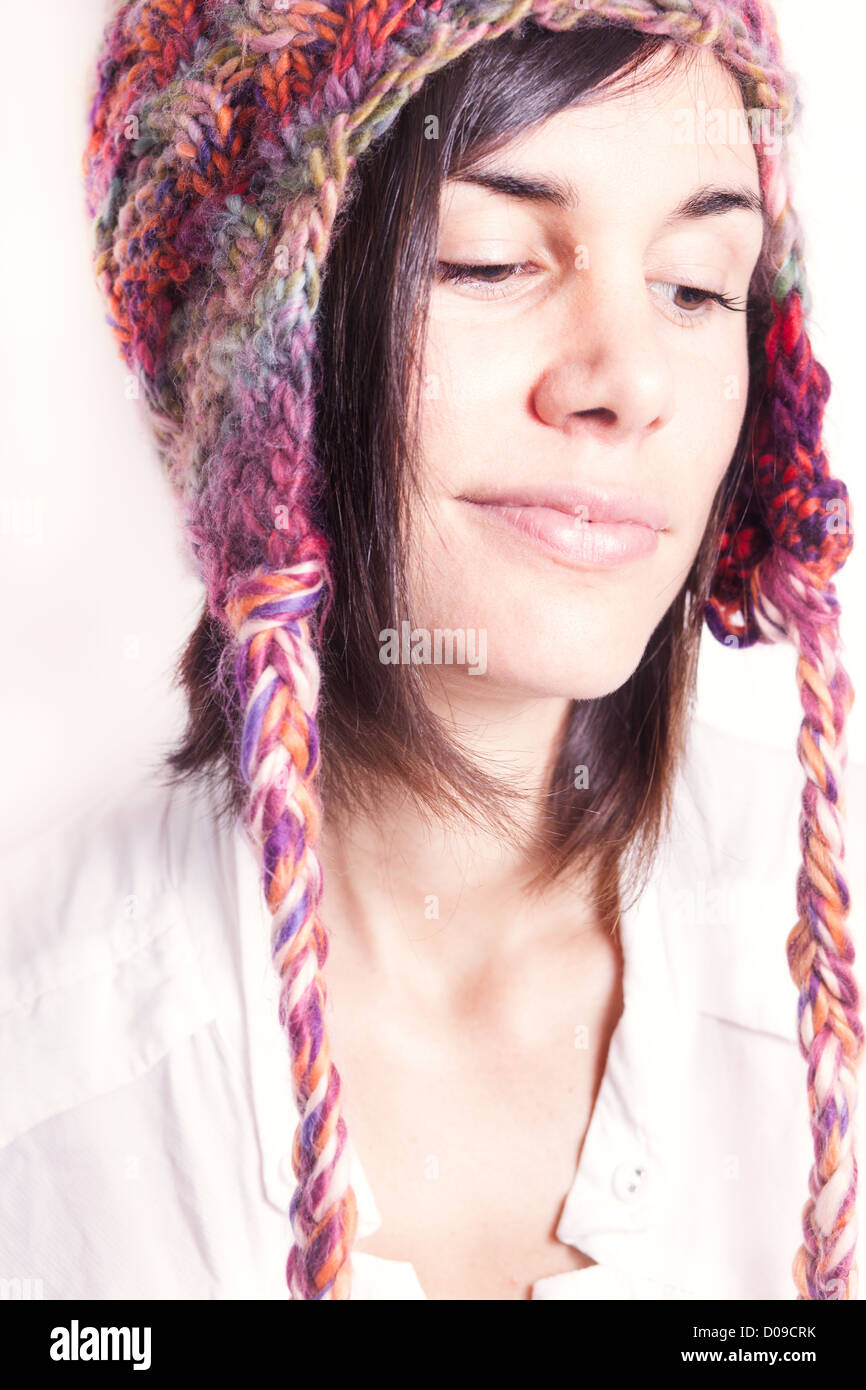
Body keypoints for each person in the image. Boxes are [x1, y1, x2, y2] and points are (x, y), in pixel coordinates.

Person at [0, 0, 859, 1302]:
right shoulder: (44, 1074)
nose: (627, 377)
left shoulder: (810, 962)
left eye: (695, 287)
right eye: (488, 259)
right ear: (251, 364)